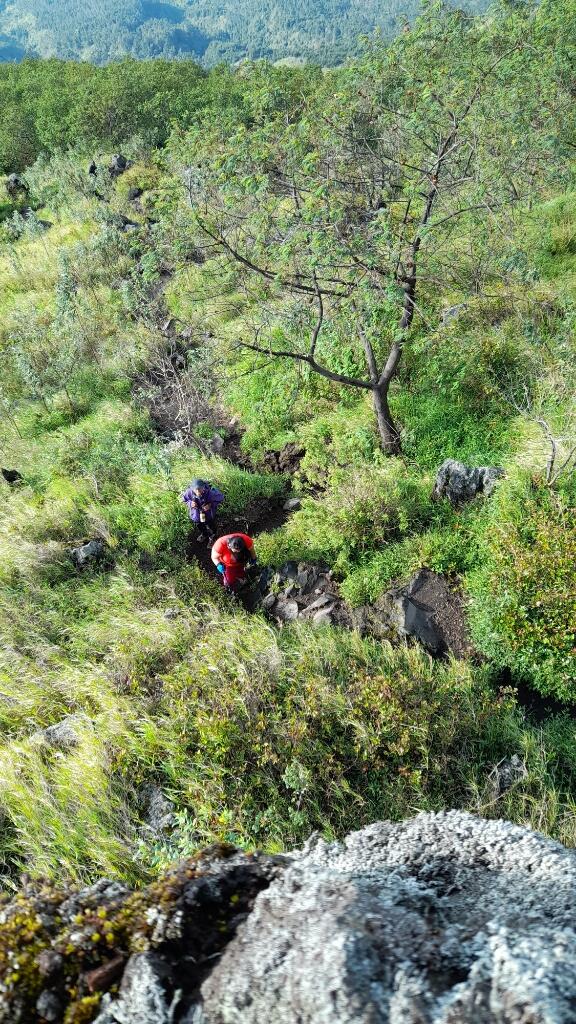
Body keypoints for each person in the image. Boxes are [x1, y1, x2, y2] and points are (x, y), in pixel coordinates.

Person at [182, 478, 224, 544]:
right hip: (196, 515)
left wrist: (210, 505)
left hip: (208, 514)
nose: (198, 491)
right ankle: (204, 534)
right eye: (196, 489)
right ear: (192, 488)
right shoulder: (189, 492)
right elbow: (184, 500)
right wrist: (190, 503)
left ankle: (213, 537)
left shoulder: (210, 492)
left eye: (200, 489)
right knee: (200, 525)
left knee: (211, 525)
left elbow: (220, 497)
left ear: (203, 487)